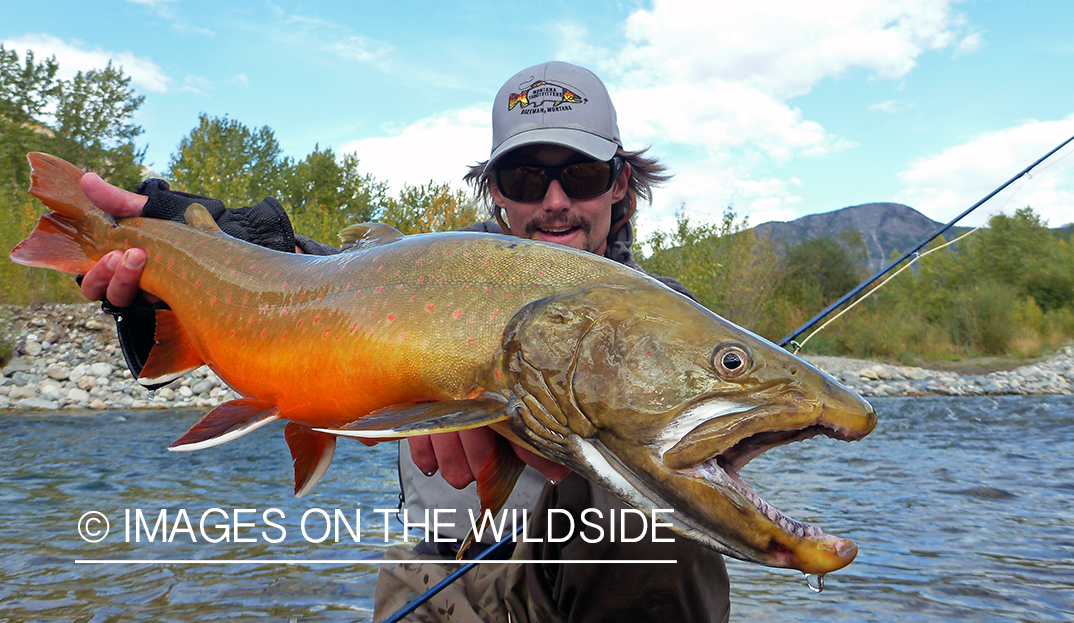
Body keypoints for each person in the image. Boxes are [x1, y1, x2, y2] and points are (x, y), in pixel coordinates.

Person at [79, 61, 731, 623]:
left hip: (592, 588)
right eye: (527, 180)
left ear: (620, 183)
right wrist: (215, 252)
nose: (554, 201)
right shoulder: (429, 273)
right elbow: (323, 286)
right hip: (433, 581)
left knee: (656, 521)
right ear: (497, 191)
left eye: (581, 175)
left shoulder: (675, 322)